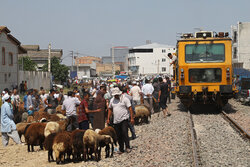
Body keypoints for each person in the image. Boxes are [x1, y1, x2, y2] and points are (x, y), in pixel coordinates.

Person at [107, 87, 134, 154]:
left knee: (125, 133)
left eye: (116, 95)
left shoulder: (125, 99)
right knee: (118, 135)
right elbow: (110, 109)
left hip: (124, 119)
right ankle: (121, 149)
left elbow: (130, 108)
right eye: (114, 95)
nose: (116, 96)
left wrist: (132, 118)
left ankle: (127, 147)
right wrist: (108, 118)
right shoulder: (112, 100)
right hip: (116, 120)